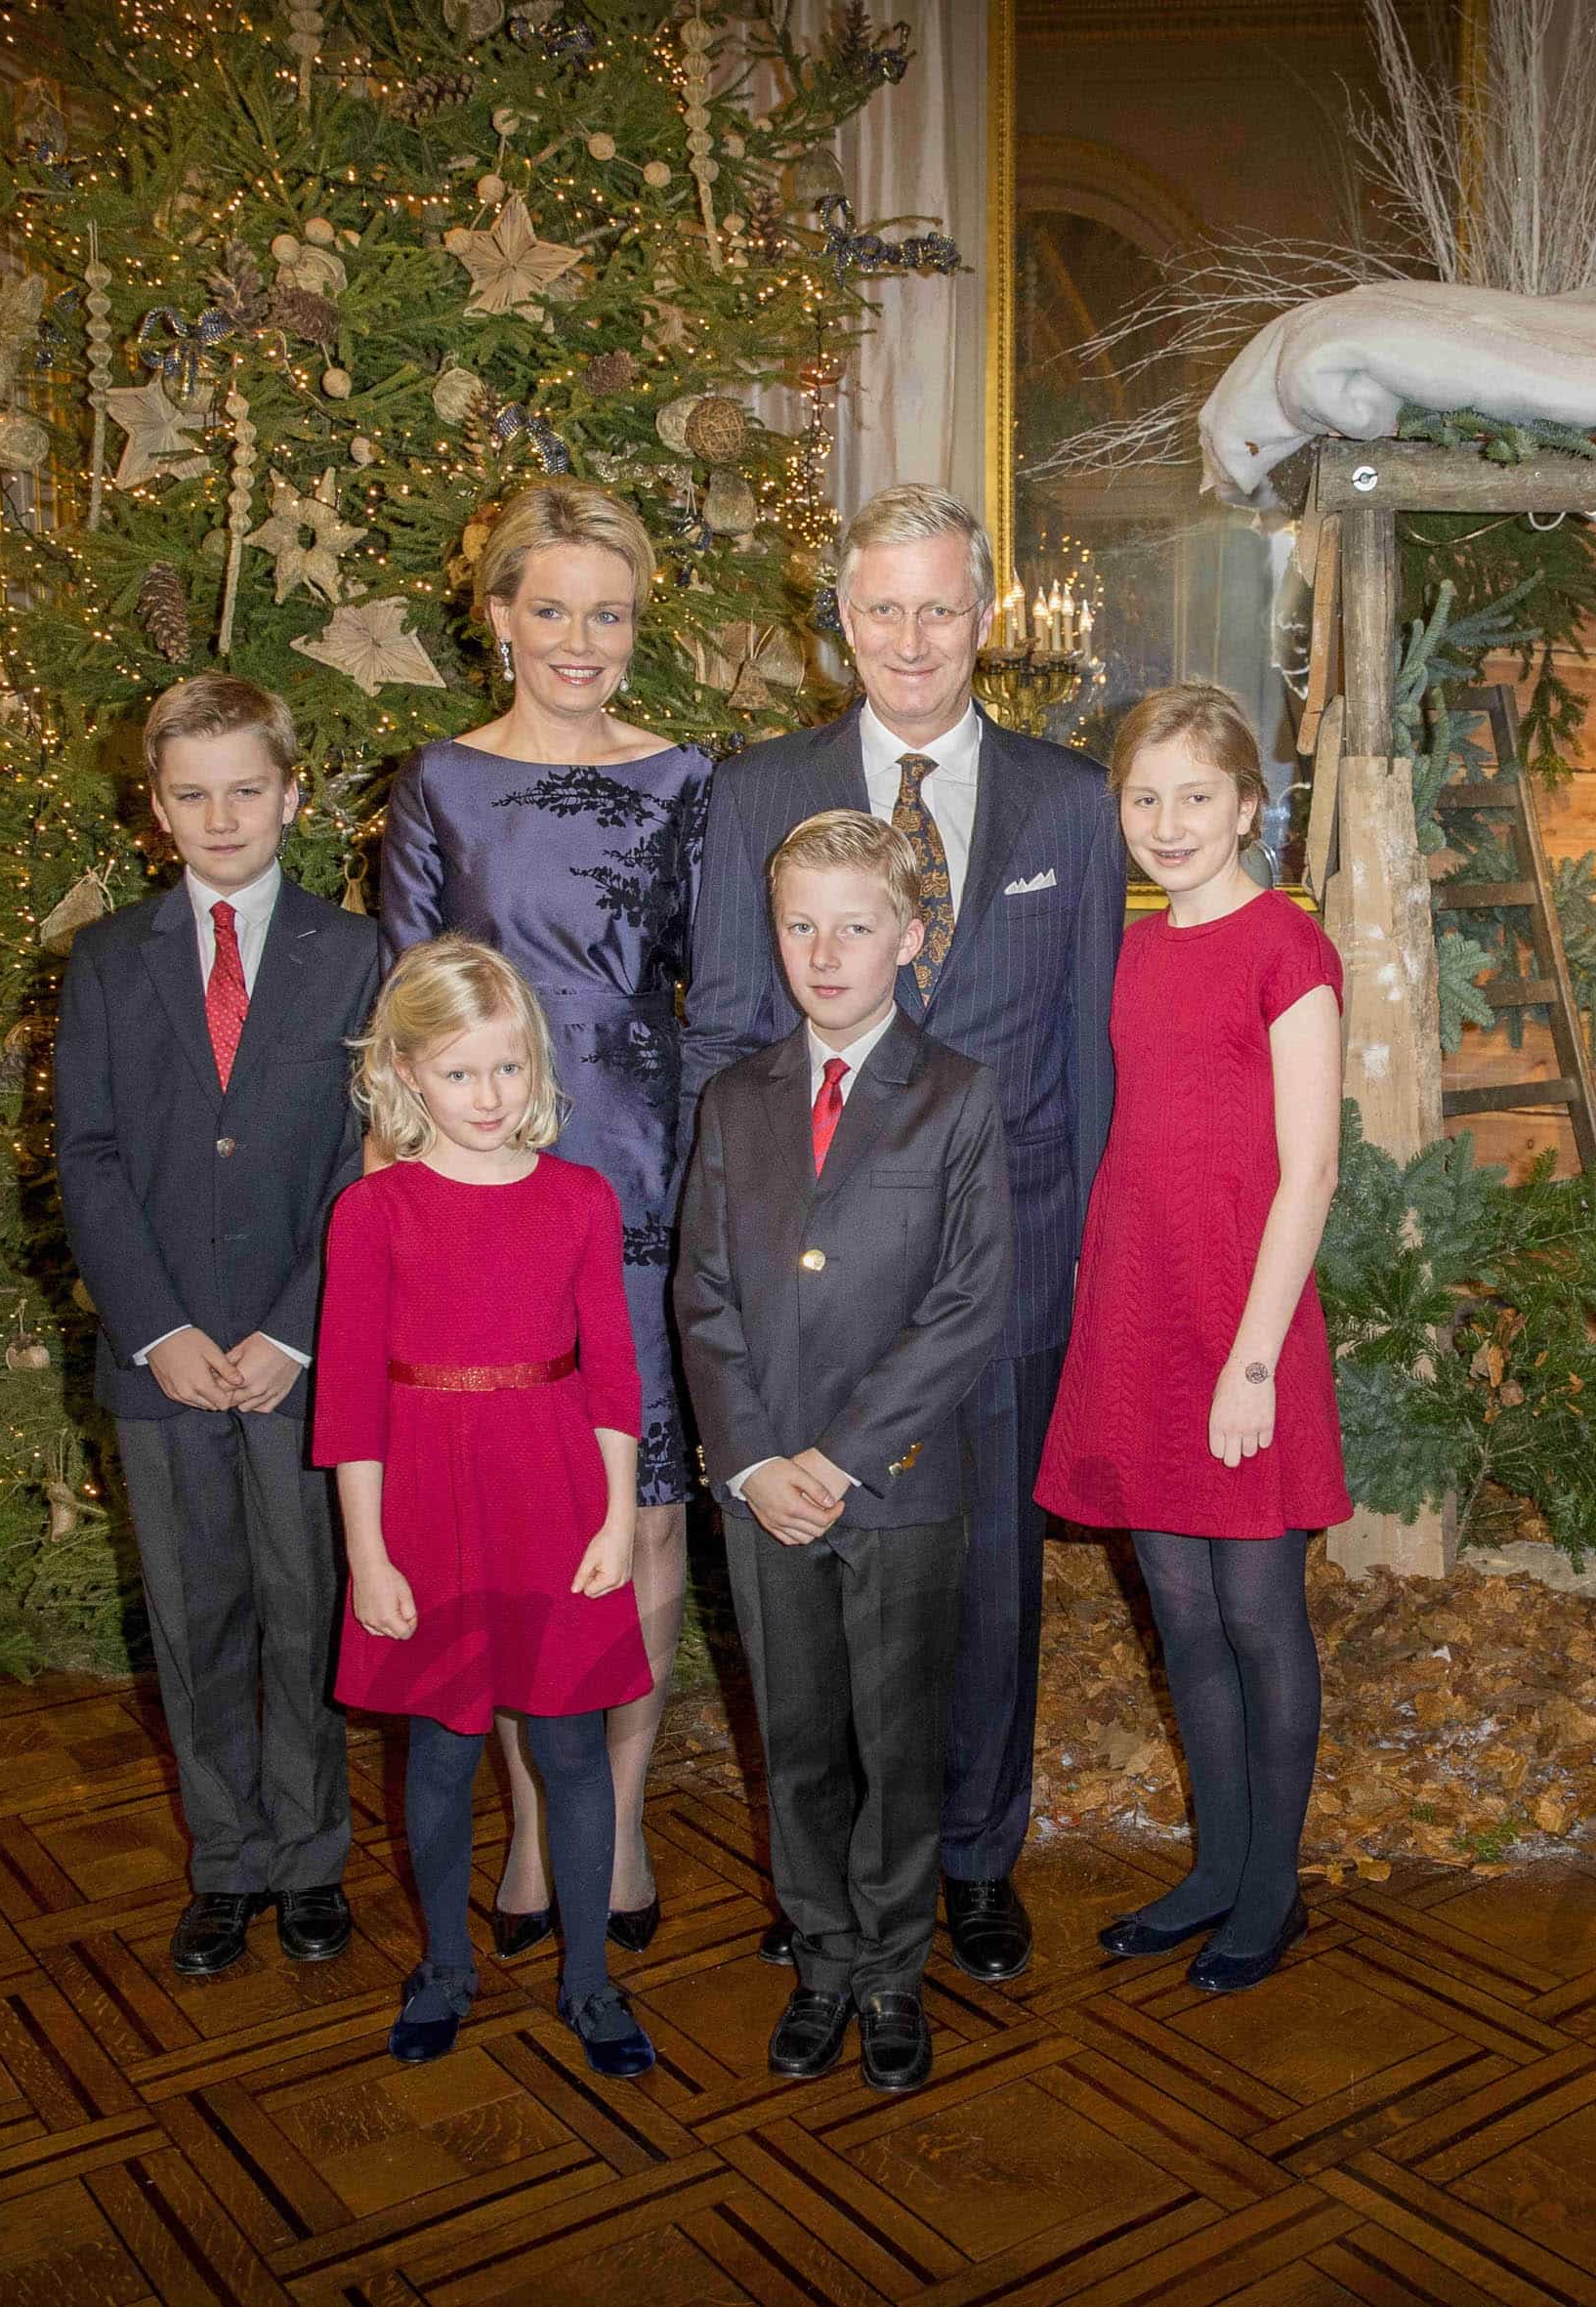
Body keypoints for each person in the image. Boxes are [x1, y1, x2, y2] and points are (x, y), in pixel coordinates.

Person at [682, 483, 1117, 1984]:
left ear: (983, 618)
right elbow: (726, 1039)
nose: (912, 639)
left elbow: (1091, 1048)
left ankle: (974, 1855)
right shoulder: (757, 791)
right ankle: (837, 1872)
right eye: (882, 608)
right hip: (806, 1272)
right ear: (841, 620)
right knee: (814, 1585)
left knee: (986, 1583)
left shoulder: (1068, 800)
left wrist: (1094, 1275)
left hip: (1005, 1264)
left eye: (940, 606)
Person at [380, 479, 711, 1959]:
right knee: (518, 1522)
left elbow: (733, 1004)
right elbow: (400, 1014)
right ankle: (532, 1827)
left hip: (649, 1181)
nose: (580, 638)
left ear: (636, 628)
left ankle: (620, 1821)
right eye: (553, 607)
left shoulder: (690, 779)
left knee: (639, 1515)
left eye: (610, 612)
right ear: (498, 614)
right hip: (483, 1194)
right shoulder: (437, 784)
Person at [676, 810, 1015, 2093]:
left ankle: (890, 1971)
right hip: (766, 1494)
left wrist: (843, 1456)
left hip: (899, 1488)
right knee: (803, 1738)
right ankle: (821, 1957)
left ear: (909, 941)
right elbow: (703, 1296)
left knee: (895, 1740)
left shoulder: (955, 1096)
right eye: (800, 925)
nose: (825, 953)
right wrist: (758, 1462)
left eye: (856, 927)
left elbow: (967, 1303)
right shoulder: (737, 1098)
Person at [59, 673, 380, 1982]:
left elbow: (371, 1161)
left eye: (246, 787)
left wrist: (298, 1330)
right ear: (156, 810)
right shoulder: (107, 959)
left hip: (298, 1358)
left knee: (305, 1609)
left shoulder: (352, 954)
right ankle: (226, 1861)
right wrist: (157, 1331)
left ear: (292, 794)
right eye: (192, 794)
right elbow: (84, 1156)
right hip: (166, 1360)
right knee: (196, 1619)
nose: (222, 814)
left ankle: (309, 1859)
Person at [1037, 684, 1347, 1995]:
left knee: (1256, 1609)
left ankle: (1268, 1886)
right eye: (1143, 796)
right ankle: (1215, 1864)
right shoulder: (1128, 947)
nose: (1167, 821)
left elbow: (1313, 1165)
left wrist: (1254, 1359)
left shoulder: (1286, 945)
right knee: (1177, 1609)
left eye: (1195, 796)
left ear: (1245, 806)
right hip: (1138, 1309)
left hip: (1242, 1316)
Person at [315, 936, 658, 2077]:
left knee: (569, 1743)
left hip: (555, 1496)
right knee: (444, 1752)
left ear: (537, 1067)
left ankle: (590, 1978)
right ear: (406, 1074)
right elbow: (353, 1400)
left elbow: (614, 1370)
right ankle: (445, 1967)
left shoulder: (578, 1198)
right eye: (459, 1072)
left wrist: (615, 1518)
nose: (488, 1096)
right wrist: (367, 1554)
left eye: (507, 1069)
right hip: (422, 1506)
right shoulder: (375, 1212)